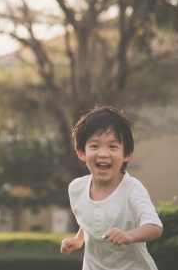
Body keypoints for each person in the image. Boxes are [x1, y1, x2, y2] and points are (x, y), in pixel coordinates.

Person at [60, 106, 163, 270]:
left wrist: (129, 235)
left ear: (126, 154)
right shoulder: (76, 188)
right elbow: (90, 218)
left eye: (113, 147)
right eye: (94, 146)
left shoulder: (132, 189)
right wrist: (78, 240)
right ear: (81, 153)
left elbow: (154, 227)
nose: (103, 153)